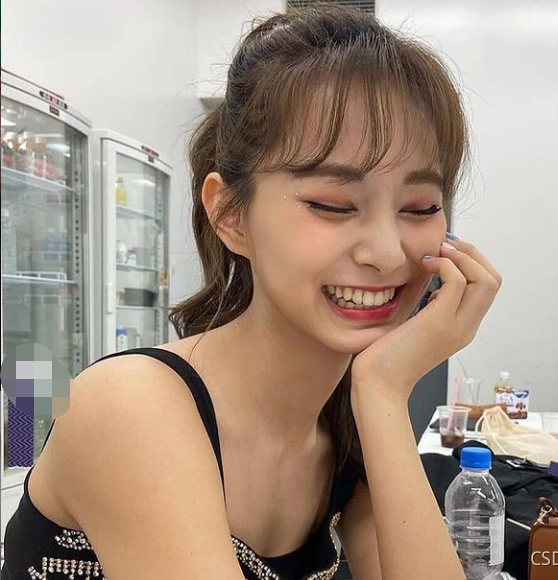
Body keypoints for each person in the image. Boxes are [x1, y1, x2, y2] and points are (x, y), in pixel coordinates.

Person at [1, 4, 501, 580]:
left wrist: (384, 393)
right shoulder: (130, 405)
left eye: (420, 207)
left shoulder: (342, 422)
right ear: (230, 214)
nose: (387, 254)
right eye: (333, 205)